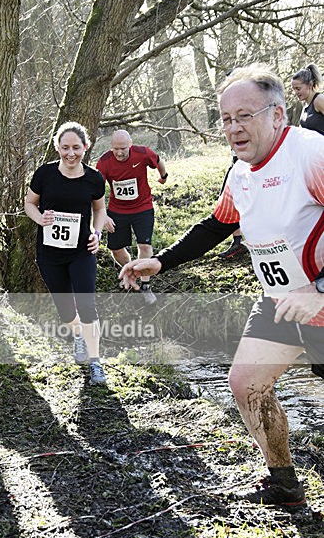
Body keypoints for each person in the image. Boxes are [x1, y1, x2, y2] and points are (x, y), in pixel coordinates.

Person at [120, 64, 324, 508]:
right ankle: (284, 482)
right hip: (280, 301)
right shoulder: (241, 174)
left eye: (244, 116)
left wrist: (317, 289)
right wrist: (162, 260)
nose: (233, 128)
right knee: (246, 383)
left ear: (278, 115)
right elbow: (216, 225)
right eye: (226, 119)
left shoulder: (311, 155)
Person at [25, 121, 108, 385]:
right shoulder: (44, 174)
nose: (70, 153)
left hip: (82, 250)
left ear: (86, 147)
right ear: (57, 148)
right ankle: (79, 335)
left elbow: (100, 210)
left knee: (86, 304)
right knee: (64, 309)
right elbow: (29, 203)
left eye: (76, 147)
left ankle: (95, 363)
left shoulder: (94, 178)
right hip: (50, 253)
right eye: (65, 148)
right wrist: (40, 219)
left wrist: (97, 235)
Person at [96, 130, 167, 304]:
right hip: (117, 210)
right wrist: (103, 215)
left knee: (144, 245)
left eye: (123, 148)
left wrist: (163, 177)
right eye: (115, 149)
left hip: (142, 207)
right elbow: (95, 191)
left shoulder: (142, 153)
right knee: (116, 248)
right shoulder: (105, 162)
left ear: (131, 144)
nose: (119, 153)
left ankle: (145, 285)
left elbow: (158, 161)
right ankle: (130, 270)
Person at [291, 63, 324, 135]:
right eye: (294, 89)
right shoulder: (305, 105)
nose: (296, 92)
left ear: (310, 84)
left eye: (298, 88)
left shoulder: (319, 100)